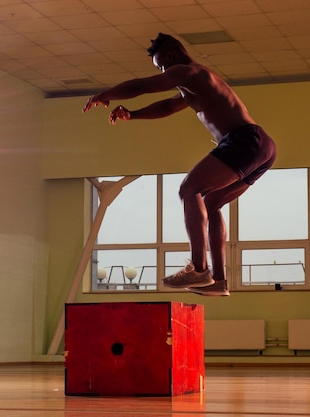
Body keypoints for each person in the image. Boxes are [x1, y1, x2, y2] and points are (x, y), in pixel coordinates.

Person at [82, 33, 276, 296]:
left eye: (162, 66)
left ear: (172, 56)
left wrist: (105, 94)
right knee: (211, 203)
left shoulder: (189, 72)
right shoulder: (194, 83)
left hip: (244, 140)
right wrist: (133, 115)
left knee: (188, 190)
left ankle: (198, 267)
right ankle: (218, 280)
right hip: (262, 148)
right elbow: (167, 106)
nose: (163, 73)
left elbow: (141, 86)